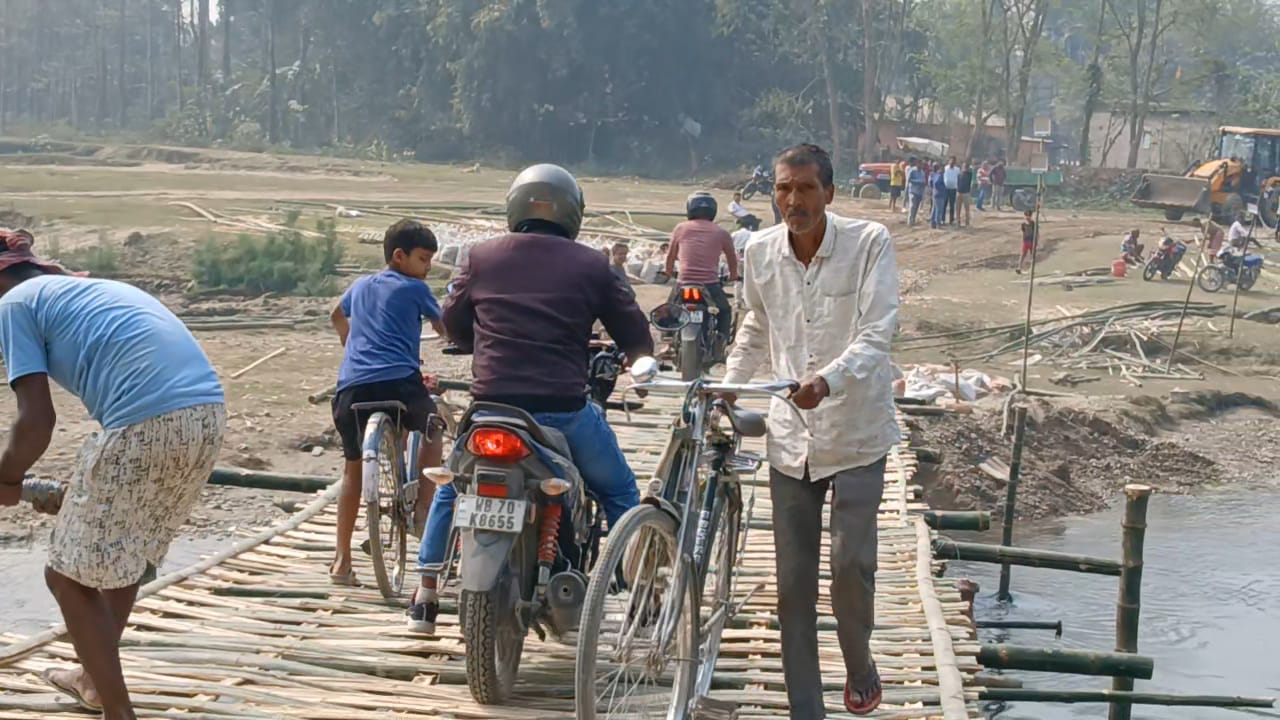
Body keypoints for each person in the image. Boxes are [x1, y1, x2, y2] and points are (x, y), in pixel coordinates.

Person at [410, 164, 653, 634]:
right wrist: (634, 355)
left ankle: (425, 595)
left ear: (515, 206)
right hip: (563, 412)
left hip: (491, 409)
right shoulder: (593, 264)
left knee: (455, 484)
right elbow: (635, 334)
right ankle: (641, 599)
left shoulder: (481, 257)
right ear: (573, 212)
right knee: (620, 491)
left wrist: (479, 338)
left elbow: (455, 324)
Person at [0, 229, 225, 720]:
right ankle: (92, 680)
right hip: (206, 416)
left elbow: (36, 421)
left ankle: (119, 713)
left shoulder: (13, 304)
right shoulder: (81, 290)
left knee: (65, 577)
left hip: (146, 423)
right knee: (124, 556)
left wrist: (8, 479)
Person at [724, 143, 898, 717]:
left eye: (804, 188)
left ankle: (859, 663)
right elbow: (756, 323)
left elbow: (877, 333)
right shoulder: (761, 251)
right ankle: (807, 709)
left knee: (850, 566)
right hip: (790, 437)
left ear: (829, 192)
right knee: (793, 585)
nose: (792, 200)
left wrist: (826, 381)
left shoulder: (869, 243)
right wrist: (730, 383)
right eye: (783, 188)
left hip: (856, 432)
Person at [329, 220, 447, 587]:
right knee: (434, 429)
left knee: (351, 471)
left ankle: (341, 562)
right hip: (399, 383)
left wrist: (350, 343)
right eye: (423, 259)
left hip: (351, 389)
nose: (428, 268)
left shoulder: (360, 285)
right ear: (399, 256)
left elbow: (336, 315)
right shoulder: (416, 288)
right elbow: (443, 326)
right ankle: (423, 507)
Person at [665, 191, 739, 345]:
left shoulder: (680, 228)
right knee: (724, 311)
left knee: (669, 310)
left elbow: (670, 256)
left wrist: (668, 272)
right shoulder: (722, 232)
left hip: (683, 283)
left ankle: (668, 341)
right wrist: (733, 276)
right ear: (713, 210)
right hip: (710, 285)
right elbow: (732, 260)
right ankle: (722, 340)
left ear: (690, 208)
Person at [906, 158, 926, 226]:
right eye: (920, 164)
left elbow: (924, 181)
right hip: (913, 191)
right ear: (917, 164)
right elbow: (909, 180)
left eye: (922, 164)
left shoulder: (922, 172)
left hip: (919, 192)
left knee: (916, 207)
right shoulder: (912, 171)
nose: (921, 165)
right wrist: (918, 181)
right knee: (912, 206)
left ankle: (913, 220)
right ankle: (910, 221)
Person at [1017, 209, 1037, 274]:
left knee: (1032, 255)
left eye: (1029, 216)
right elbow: (1023, 231)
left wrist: (1036, 241)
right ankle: (1019, 267)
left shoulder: (1033, 223)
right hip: (1025, 241)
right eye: (1026, 215)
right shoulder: (1023, 224)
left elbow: (1035, 232)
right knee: (1023, 254)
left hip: (1032, 241)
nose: (1027, 217)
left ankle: (1032, 269)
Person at [943, 156, 960, 225]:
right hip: (945, 188)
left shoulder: (957, 169)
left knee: (952, 205)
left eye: (953, 161)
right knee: (944, 204)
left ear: (955, 162)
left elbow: (959, 178)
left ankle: (951, 220)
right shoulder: (945, 168)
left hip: (953, 189)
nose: (952, 162)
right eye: (951, 161)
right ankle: (942, 219)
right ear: (949, 161)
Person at [956, 160, 974, 227]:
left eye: (966, 166)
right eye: (963, 166)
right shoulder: (959, 174)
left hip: (966, 193)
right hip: (959, 192)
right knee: (958, 209)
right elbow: (957, 183)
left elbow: (971, 181)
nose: (964, 168)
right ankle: (958, 222)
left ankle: (967, 222)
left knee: (967, 209)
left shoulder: (969, 174)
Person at [930, 162, 948, 230]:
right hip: (939, 194)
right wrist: (943, 188)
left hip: (935, 193)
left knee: (934, 209)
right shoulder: (940, 175)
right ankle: (938, 223)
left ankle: (933, 223)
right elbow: (937, 183)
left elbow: (931, 183)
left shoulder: (935, 174)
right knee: (939, 210)